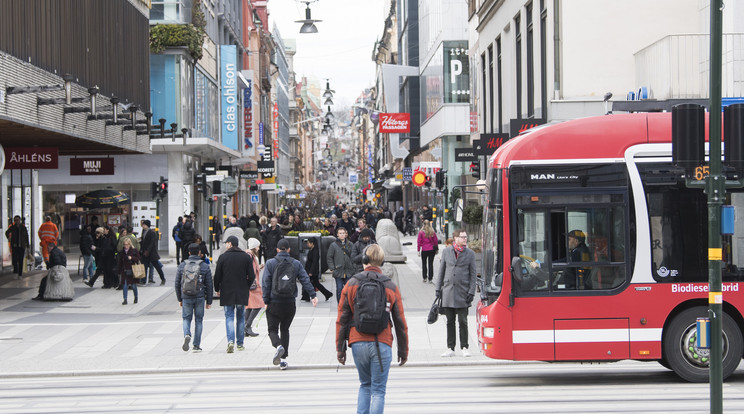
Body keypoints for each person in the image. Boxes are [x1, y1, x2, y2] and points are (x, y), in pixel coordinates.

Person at [336, 244, 409, 414]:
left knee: (365, 385)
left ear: (364, 260)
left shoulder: (352, 284)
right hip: (382, 342)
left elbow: (342, 319)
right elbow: (400, 321)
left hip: (357, 342)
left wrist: (340, 348)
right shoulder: (390, 285)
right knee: (378, 390)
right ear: (382, 262)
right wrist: (403, 350)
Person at [262, 239, 318, 370]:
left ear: (277, 250)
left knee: (272, 330)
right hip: (289, 303)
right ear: (288, 250)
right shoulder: (296, 263)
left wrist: (265, 300)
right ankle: (282, 360)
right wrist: (313, 295)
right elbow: (305, 279)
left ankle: (278, 346)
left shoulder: (270, 263)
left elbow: (266, 283)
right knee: (285, 329)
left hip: (274, 302)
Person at [434, 229, 477, 357]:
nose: (465, 239)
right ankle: (450, 348)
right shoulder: (447, 251)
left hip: (463, 292)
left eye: (465, 237)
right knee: (449, 321)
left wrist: (472, 291)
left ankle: (465, 346)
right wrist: (438, 289)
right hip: (448, 291)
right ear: (455, 238)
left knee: (463, 321)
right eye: (462, 237)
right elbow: (441, 271)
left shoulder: (470, 254)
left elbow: (473, 275)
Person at [213, 235, 255, 353]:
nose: (226, 245)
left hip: (227, 292)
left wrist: (217, 288)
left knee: (229, 317)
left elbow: (217, 276)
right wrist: (246, 285)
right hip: (242, 291)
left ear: (230, 244)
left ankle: (230, 341)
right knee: (241, 318)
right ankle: (240, 344)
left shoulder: (223, 257)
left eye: (226, 243)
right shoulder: (246, 257)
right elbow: (251, 275)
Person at [176, 243, 213, 352]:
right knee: (199, 320)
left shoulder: (182, 265)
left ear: (189, 253)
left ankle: (187, 333)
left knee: (186, 318)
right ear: (200, 253)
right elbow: (209, 284)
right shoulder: (204, 266)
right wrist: (209, 300)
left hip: (186, 296)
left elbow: (177, 283)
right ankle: (196, 345)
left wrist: (180, 298)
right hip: (200, 296)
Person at [327, 227, 359, 300]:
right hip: (338, 271)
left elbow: (354, 256)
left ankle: (348, 305)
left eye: (343, 233)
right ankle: (340, 306)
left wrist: (353, 267)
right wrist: (332, 268)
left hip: (349, 271)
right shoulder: (333, 245)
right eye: (340, 233)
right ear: (337, 234)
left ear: (346, 234)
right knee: (339, 289)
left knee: (349, 290)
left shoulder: (350, 244)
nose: (342, 235)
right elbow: (329, 257)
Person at [244, 238, 265, 337]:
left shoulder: (248, 255)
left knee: (249, 306)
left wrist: (259, 267)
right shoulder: (250, 256)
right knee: (258, 305)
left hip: (249, 284)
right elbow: (250, 271)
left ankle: (245, 327)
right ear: (253, 247)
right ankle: (247, 326)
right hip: (253, 285)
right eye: (257, 246)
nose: (258, 248)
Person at [140, 220, 165, 285]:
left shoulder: (152, 232)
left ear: (147, 225)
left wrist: (148, 250)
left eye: (144, 225)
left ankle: (163, 278)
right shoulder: (143, 232)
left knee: (157, 266)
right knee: (144, 267)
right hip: (145, 253)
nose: (143, 226)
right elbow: (143, 241)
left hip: (151, 253)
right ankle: (143, 280)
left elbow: (152, 243)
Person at [117, 238, 140, 305]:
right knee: (125, 285)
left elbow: (138, 259)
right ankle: (125, 299)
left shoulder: (134, 250)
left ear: (130, 244)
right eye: (124, 244)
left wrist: (131, 258)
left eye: (127, 244)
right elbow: (120, 262)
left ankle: (136, 297)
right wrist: (118, 271)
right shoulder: (122, 252)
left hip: (132, 270)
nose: (125, 246)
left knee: (133, 286)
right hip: (124, 270)